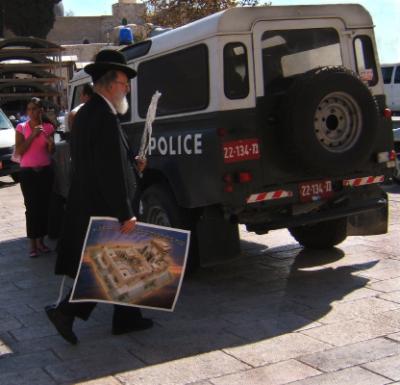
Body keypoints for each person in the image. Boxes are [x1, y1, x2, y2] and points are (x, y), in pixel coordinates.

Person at [45, 49, 152, 345]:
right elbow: (108, 171)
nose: (127, 87)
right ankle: (65, 312)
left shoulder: (92, 113)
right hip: (104, 206)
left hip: (94, 203)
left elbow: (107, 161)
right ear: (107, 83)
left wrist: (133, 163)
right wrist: (124, 212)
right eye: (123, 81)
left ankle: (127, 318)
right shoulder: (103, 115)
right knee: (107, 268)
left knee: (118, 263)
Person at [14, 97, 55, 258]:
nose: (32, 112)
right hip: (28, 173)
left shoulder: (49, 127)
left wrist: (51, 144)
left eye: (35, 109)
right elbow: (19, 151)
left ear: (41, 111)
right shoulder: (21, 127)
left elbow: (52, 153)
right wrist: (32, 136)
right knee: (31, 209)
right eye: (29, 109)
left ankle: (41, 242)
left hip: (45, 171)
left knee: (44, 208)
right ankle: (32, 244)